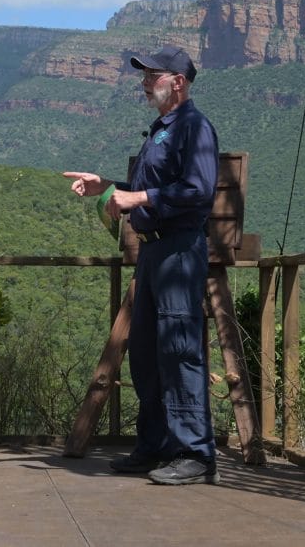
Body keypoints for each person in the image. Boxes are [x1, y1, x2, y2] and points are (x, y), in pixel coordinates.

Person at [64, 45, 220, 485]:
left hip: (178, 251)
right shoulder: (160, 130)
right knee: (148, 354)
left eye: (153, 75)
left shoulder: (194, 127)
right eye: (145, 75)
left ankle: (194, 454)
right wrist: (108, 187)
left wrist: (139, 198)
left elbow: (198, 190)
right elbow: (148, 187)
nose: (144, 83)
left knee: (178, 348)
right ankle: (154, 446)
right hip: (152, 251)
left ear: (179, 82)